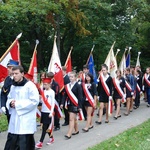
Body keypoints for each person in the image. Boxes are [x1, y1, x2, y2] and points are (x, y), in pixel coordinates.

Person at [4, 65, 39, 150]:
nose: (14, 76)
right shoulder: (13, 86)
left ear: (22, 74)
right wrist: (10, 102)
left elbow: (34, 101)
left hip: (25, 121)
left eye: (16, 73)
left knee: (24, 144)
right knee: (11, 144)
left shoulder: (30, 86)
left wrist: (18, 104)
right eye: (13, 74)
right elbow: (9, 97)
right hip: (15, 119)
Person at [61, 71, 82, 139]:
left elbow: (80, 97)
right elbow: (65, 95)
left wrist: (79, 106)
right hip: (69, 104)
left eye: (72, 77)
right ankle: (76, 130)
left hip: (75, 104)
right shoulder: (67, 86)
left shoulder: (78, 86)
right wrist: (62, 103)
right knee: (74, 118)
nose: (70, 78)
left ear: (75, 78)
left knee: (71, 119)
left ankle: (69, 133)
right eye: (70, 77)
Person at [35, 78, 55, 148]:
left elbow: (53, 103)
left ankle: (40, 142)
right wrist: (40, 98)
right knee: (45, 127)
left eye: (46, 85)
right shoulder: (43, 92)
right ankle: (51, 138)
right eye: (44, 85)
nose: (45, 86)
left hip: (48, 112)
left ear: (49, 84)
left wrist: (51, 112)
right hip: (43, 111)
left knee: (44, 127)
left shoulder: (52, 92)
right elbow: (42, 102)